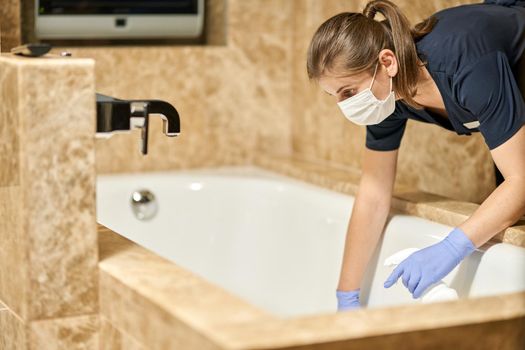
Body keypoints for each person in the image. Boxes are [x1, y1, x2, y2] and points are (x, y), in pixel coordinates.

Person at [306, 0, 525, 311]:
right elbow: (373, 194)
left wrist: (450, 248)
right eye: (335, 96)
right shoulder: (387, 98)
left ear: (387, 62)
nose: (345, 106)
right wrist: (347, 296)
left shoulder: (465, 60)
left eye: (348, 92)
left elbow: (520, 183)